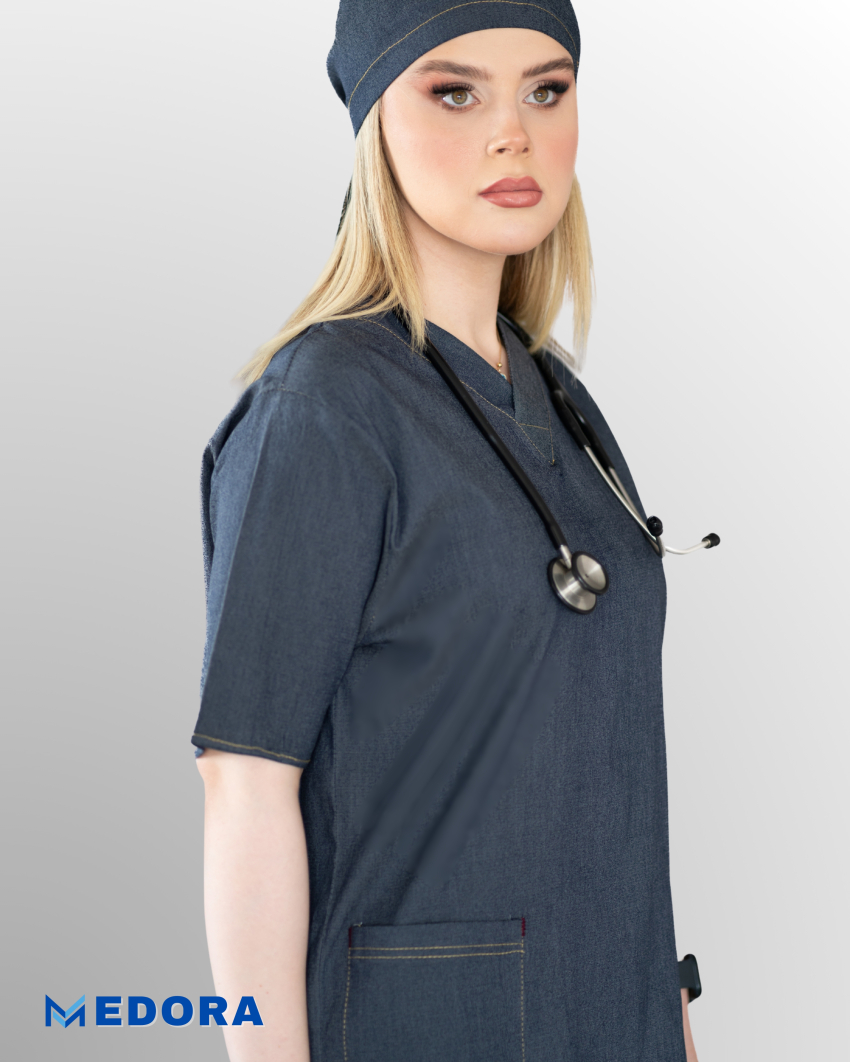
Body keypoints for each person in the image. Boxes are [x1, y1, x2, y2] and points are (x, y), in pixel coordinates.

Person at [192, 3, 701, 1060]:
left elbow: (601, 782)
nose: (513, 135)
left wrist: (678, 1027)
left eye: (546, 91)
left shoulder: (560, 403)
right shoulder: (323, 413)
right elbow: (246, 785)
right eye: (456, 93)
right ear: (373, 117)